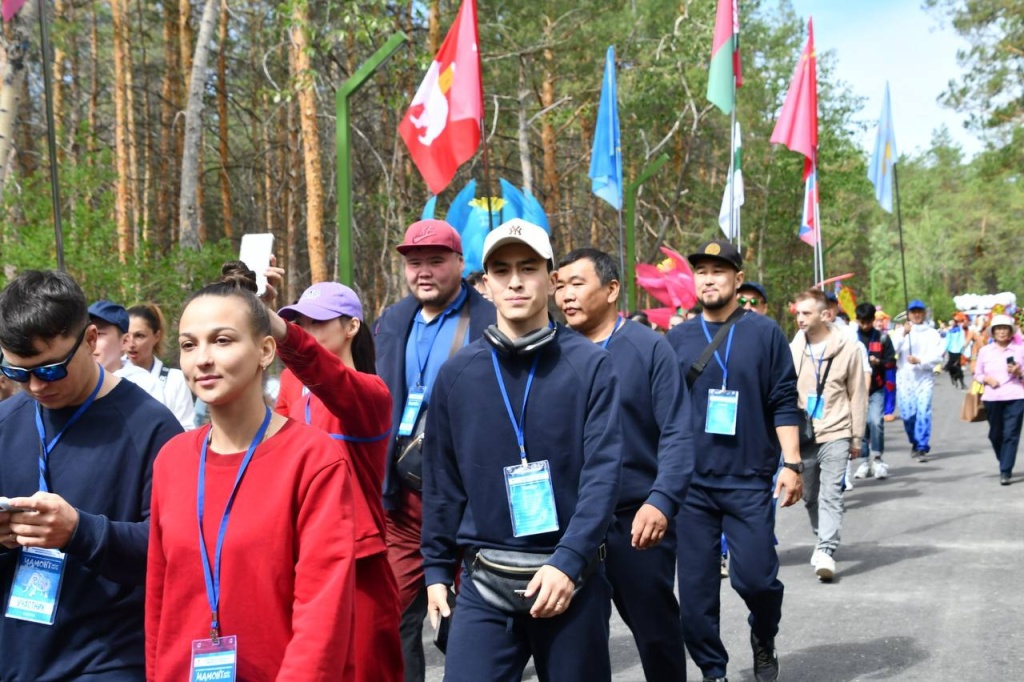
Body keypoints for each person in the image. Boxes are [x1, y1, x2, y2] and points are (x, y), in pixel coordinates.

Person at [422, 220, 622, 681]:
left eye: (528, 268)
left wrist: (568, 564)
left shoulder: (591, 366)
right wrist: (435, 569)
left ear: (551, 280)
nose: (515, 281)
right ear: (485, 284)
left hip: (570, 580)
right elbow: (441, 483)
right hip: (484, 582)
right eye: (502, 270)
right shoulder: (457, 374)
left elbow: (603, 475)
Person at [145, 263, 357, 680]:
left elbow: (323, 614)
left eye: (222, 341)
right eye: (189, 345)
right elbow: (159, 599)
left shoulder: (312, 459)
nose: (203, 359)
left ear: (265, 351)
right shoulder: (173, 459)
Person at [0, 270, 182, 680]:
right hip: (16, 657)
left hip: (108, 660)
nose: (34, 386)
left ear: (90, 340)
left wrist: (80, 531)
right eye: (16, 372)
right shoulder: (5, 423)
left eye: (49, 370)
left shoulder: (152, 428)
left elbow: (174, 552)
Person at [666, 239, 803, 682]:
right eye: (701, 271)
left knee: (757, 581)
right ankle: (713, 671)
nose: (708, 278)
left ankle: (764, 635)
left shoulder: (765, 333)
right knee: (696, 598)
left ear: (737, 279)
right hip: (692, 487)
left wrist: (792, 463)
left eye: (718, 271)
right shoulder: (677, 338)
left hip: (748, 479)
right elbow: (661, 410)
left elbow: (784, 400)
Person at [555, 247, 693, 682]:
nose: (565, 296)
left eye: (577, 284)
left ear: (611, 289)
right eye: (559, 286)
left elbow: (676, 432)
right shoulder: (552, 352)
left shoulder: (649, 348)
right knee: (575, 643)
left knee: (655, 634)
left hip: (636, 522)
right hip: (570, 524)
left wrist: (661, 500)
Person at [372, 219, 495, 681]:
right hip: (404, 500)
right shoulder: (392, 319)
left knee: (468, 621)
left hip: (470, 500)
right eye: (414, 262)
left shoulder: (489, 317)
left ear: (461, 264)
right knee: (393, 612)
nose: (423, 271)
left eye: (436, 261)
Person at [267, 272, 403, 682]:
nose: (306, 331)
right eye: (300, 322)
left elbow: (329, 378)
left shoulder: (370, 391)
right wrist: (251, 312)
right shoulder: (290, 384)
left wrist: (274, 325)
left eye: (318, 321)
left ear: (352, 326)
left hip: (357, 563)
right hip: (296, 556)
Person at [791, 289, 867, 581]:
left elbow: (857, 393)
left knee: (832, 493)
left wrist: (856, 436)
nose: (800, 319)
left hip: (837, 429)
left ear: (825, 315)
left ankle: (825, 548)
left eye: (806, 313)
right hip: (804, 433)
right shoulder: (793, 348)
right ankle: (823, 535)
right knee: (810, 496)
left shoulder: (848, 347)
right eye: (797, 313)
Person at [126, 303, 197, 430]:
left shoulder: (174, 380)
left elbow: (187, 429)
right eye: (126, 336)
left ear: (156, 336)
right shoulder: (112, 374)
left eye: (139, 336)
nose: (131, 344)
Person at [973, 314, 1024, 485]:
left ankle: (1005, 470)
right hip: (992, 397)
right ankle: (1004, 460)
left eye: (1005, 328)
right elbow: (977, 373)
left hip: (1016, 396)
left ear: (1011, 332)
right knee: (995, 434)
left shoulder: (1020, 350)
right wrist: (987, 379)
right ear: (993, 332)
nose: (1002, 332)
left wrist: (1019, 372)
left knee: (1011, 434)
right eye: (998, 329)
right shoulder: (985, 351)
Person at [891, 300, 945, 461]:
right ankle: (914, 441)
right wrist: (903, 334)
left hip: (924, 377)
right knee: (908, 415)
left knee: (923, 410)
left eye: (919, 311)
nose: (916, 314)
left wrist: (920, 360)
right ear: (908, 314)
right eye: (913, 311)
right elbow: (891, 349)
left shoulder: (932, 333)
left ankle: (922, 445)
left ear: (923, 313)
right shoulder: (900, 331)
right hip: (905, 378)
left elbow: (937, 356)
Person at [852, 302, 897, 480]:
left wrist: (879, 362)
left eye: (867, 321)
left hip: (877, 388)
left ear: (873, 320)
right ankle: (864, 461)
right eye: (861, 321)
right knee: (861, 425)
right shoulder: (851, 339)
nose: (864, 325)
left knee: (875, 421)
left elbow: (891, 362)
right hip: (856, 389)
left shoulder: (882, 338)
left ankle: (877, 459)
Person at [88, 299, 164, 399]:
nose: (89, 342)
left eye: (99, 334)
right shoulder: (74, 382)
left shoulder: (145, 386)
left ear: (124, 341)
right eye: (86, 334)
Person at [944, 318, 966, 388]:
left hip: (958, 350)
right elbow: (947, 340)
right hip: (951, 349)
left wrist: (962, 348)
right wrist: (945, 348)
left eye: (954, 322)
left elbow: (962, 339)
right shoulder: (950, 331)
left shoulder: (960, 330)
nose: (952, 323)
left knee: (957, 365)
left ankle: (961, 382)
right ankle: (953, 377)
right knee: (952, 364)